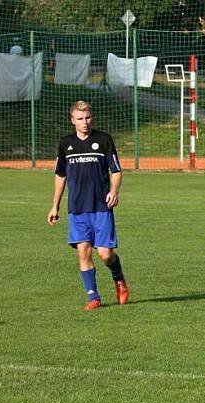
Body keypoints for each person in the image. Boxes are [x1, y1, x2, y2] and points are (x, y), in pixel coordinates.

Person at [48, 100, 129, 310]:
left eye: (88, 118)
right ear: (72, 120)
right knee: (83, 251)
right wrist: (54, 206)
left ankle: (118, 276)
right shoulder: (66, 144)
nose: (85, 122)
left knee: (105, 254)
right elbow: (60, 175)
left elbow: (116, 170)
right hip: (77, 208)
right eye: (80, 119)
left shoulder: (103, 140)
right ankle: (93, 297)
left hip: (101, 207)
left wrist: (114, 191)